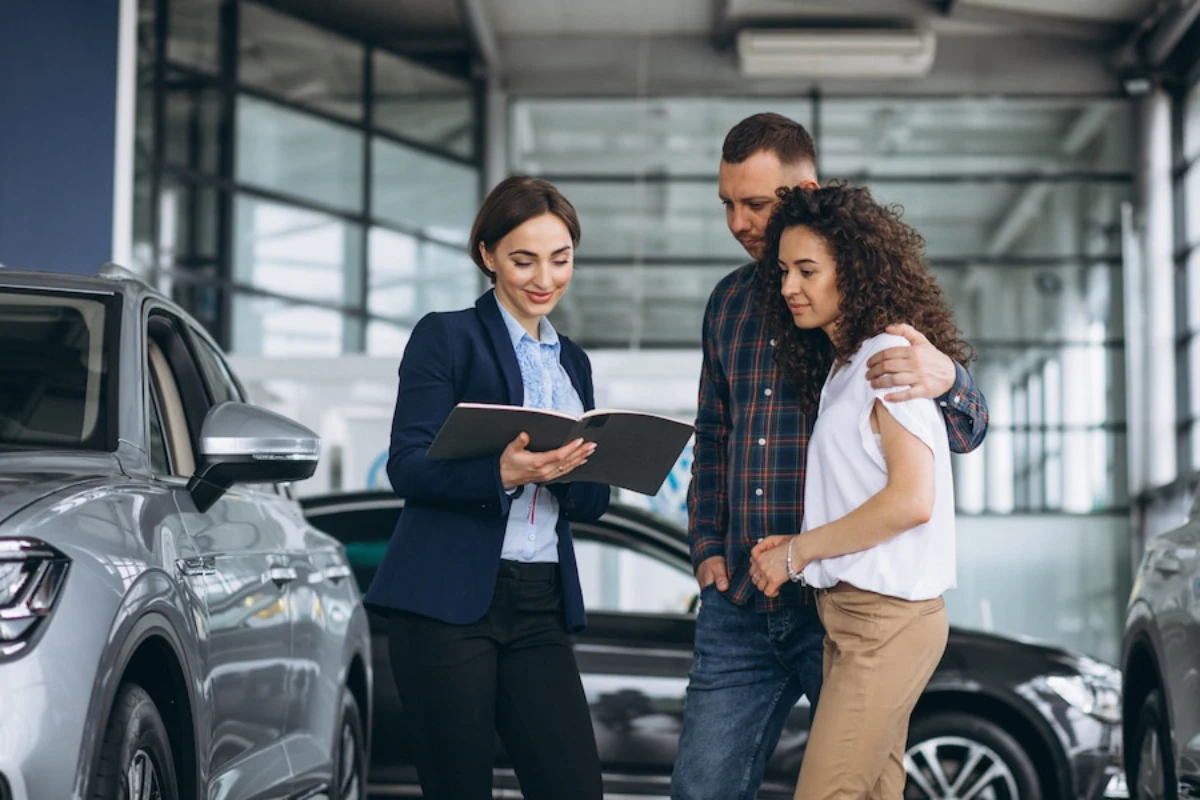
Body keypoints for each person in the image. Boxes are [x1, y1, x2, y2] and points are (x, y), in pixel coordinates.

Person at [670, 113, 989, 800]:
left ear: (802, 191)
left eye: (754, 203)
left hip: (833, 595)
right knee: (704, 788)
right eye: (726, 203)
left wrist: (952, 382)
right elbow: (713, 432)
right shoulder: (727, 305)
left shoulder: (867, 319)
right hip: (741, 600)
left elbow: (953, 441)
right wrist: (705, 546)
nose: (737, 221)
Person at [363, 176, 610, 800]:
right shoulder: (447, 336)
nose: (544, 278)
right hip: (448, 604)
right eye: (523, 260)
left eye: (561, 260)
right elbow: (408, 466)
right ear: (487, 255)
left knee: (573, 786)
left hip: (540, 600)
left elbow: (591, 501)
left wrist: (581, 470)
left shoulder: (572, 362)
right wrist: (501, 475)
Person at [748, 183, 967, 798]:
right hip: (848, 617)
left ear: (856, 269)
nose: (790, 285)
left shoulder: (890, 358)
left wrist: (799, 551)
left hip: (886, 622)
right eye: (785, 270)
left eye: (808, 270)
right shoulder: (845, 366)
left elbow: (910, 500)